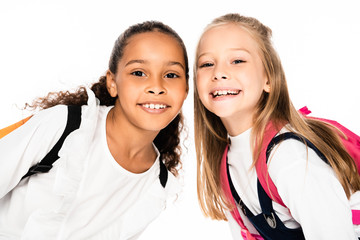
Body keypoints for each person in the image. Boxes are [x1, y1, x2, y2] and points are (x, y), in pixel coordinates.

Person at [0, 20, 188, 239]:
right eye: (138, 72)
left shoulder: (158, 185)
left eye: (171, 75)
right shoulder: (66, 126)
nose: (156, 87)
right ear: (113, 82)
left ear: (185, 89)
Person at [194, 13, 360, 239]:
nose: (219, 73)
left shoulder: (289, 159)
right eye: (207, 64)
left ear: (269, 79)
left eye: (237, 61)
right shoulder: (226, 166)